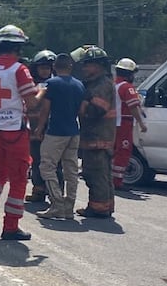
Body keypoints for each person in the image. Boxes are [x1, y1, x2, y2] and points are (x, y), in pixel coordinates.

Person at [0, 25, 39, 241]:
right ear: (18, 48)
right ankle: (10, 227)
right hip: (14, 130)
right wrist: (43, 91)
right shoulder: (19, 70)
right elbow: (32, 103)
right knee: (19, 178)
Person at [33, 53, 86, 219]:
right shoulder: (79, 85)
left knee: (46, 167)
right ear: (70, 67)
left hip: (56, 131)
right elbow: (82, 111)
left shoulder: (52, 84)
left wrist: (40, 127)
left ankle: (57, 204)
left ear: (54, 67)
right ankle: (69, 207)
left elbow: (45, 109)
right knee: (71, 170)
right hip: (73, 131)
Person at [72, 45, 117, 218]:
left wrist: (82, 104)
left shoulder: (102, 84)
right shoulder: (98, 83)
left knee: (94, 173)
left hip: (98, 137)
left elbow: (96, 110)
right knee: (103, 174)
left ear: (97, 66)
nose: (84, 68)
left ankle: (98, 208)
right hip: (97, 136)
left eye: (87, 65)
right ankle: (105, 205)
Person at [26, 50, 58, 203]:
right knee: (37, 161)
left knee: (53, 163)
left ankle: (55, 194)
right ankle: (38, 191)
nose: (45, 71)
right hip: (34, 131)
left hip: (52, 131)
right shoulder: (30, 85)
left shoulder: (56, 84)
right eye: (42, 67)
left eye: (48, 68)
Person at [111, 58, 148, 190]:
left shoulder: (112, 85)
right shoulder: (127, 87)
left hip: (112, 123)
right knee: (123, 151)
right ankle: (117, 181)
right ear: (128, 74)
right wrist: (141, 123)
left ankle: (110, 178)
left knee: (113, 152)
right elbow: (133, 107)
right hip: (124, 123)